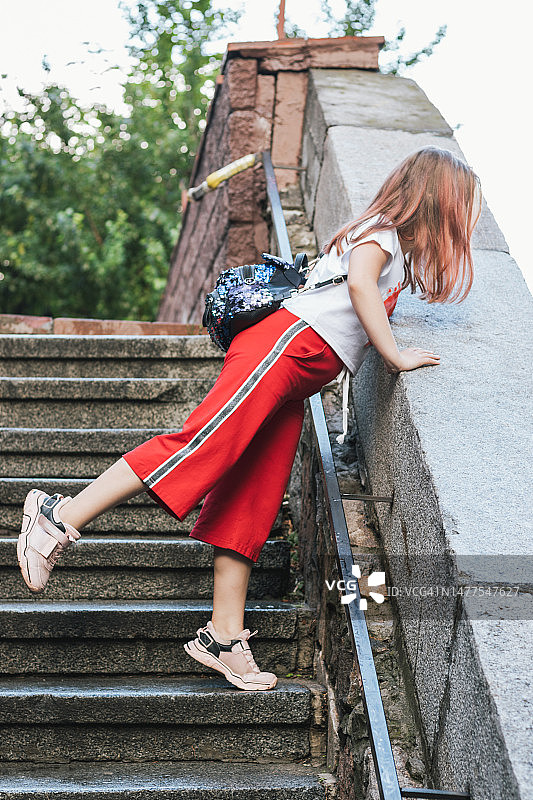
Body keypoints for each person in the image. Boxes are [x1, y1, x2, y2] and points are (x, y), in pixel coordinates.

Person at [17, 146, 482, 692]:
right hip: (284, 349)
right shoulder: (380, 233)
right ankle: (59, 514)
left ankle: (223, 635)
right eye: (460, 208)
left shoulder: (395, 252)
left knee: (254, 497)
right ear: (435, 200)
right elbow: (358, 288)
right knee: (202, 445)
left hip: (300, 377)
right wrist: (397, 354)